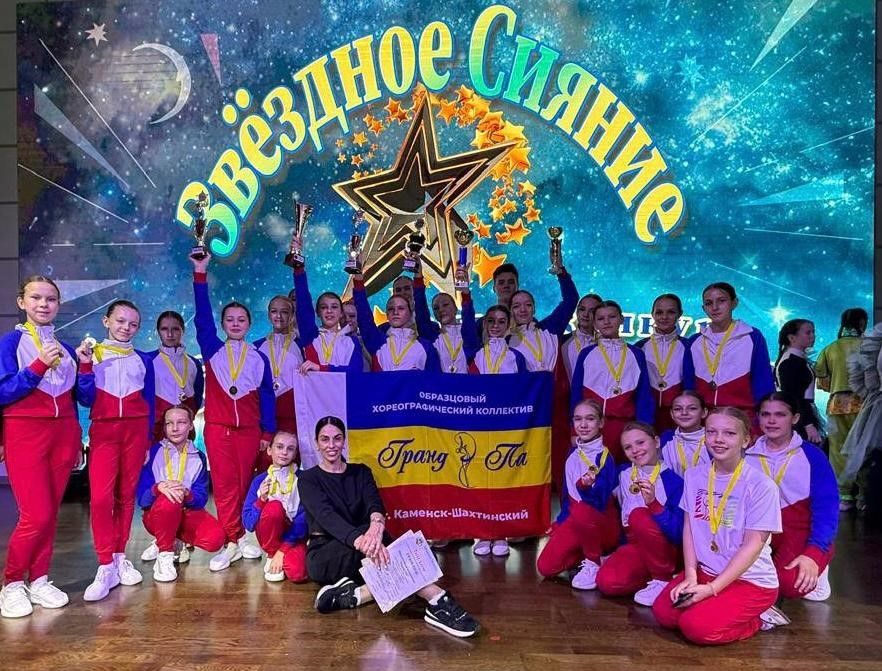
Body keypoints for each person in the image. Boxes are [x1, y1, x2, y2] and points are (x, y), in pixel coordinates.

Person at [298, 416, 481, 638]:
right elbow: (327, 517)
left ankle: (358, 594)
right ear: (316, 443)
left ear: (344, 441)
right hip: (328, 555)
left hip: (367, 550)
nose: (331, 445)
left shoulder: (361, 472)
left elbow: (374, 504)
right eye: (325, 439)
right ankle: (436, 598)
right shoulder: (307, 479)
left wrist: (376, 526)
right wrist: (364, 541)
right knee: (405, 558)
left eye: (337, 438)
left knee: (415, 552)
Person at [0, 276, 94, 618]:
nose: (43, 304)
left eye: (51, 299)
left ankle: (39, 579)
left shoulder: (66, 349)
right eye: (36, 298)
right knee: (35, 514)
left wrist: (85, 365)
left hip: (63, 437)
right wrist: (38, 365)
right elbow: (3, 391)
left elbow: (83, 399)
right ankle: (12, 583)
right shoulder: (10, 343)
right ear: (21, 302)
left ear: (58, 304)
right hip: (25, 434)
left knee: (50, 514)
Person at [651, 407, 787, 645]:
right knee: (664, 614)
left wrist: (712, 589)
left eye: (729, 433)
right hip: (706, 572)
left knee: (696, 628)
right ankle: (716, 604)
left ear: (746, 440)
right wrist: (691, 575)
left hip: (751, 581)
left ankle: (760, 617)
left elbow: (753, 546)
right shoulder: (694, 476)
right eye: (711, 432)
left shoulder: (761, 486)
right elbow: (690, 528)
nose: (718, 439)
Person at [190, 252, 276, 571]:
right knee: (225, 486)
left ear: (249, 324)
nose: (236, 324)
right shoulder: (213, 350)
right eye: (230, 320)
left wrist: (267, 431)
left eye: (241, 320)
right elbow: (202, 320)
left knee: (242, 484)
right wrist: (200, 274)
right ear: (223, 324)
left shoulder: (259, 357)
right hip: (219, 428)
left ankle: (238, 537)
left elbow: (267, 396)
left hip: (250, 431)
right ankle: (231, 541)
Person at [83, 299, 156, 602]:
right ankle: (104, 565)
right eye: (120, 321)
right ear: (106, 321)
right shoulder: (93, 354)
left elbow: (150, 402)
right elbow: (85, 398)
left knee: (126, 498)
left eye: (133, 324)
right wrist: (85, 366)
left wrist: (148, 440)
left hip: (135, 433)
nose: (126, 328)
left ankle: (119, 556)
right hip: (105, 431)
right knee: (101, 499)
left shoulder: (143, 359)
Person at [747, 393, 838, 602]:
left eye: (780, 415)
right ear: (758, 417)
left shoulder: (812, 456)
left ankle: (820, 568)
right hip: (758, 531)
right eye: (765, 414)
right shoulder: (745, 454)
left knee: (789, 584)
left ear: (795, 418)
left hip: (798, 531)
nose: (772, 420)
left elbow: (827, 510)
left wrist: (814, 554)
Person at [461, 303, 527, 556]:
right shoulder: (475, 355)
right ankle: (483, 533)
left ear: (509, 325)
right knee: (480, 481)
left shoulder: (517, 357)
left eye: (501, 321)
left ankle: (500, 533)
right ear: (485, 324)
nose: (496, 326)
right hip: (480, 427)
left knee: (503, 480)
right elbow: (470, 393)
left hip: (507, 428)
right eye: (491, 321)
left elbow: (524, 393)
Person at [596, 422, 683, 606]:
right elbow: (602, 503)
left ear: (656, 442)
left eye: (641, 442)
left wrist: (654, 505)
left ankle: (662, 578)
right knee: (607, 583)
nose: (635, 450)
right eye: (628, 447)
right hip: (635, 545)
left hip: (665, 549)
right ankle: (651, 576)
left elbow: (678, 534)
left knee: (639, 515)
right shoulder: (623, 474)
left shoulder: (674, 482)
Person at [135, 406, 225, 583]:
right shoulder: (152, 452)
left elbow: (201, 500)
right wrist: (158, 488)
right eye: (169, 423)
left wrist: (186, 493)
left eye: (181, 422)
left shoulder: (198, 456)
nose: (175, 428)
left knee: (216, 539)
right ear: (164, 427)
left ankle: (169, 539)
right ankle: (164, 555)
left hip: (186, 513)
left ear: (191, 425)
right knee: (170, 499)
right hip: (156, 514)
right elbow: (142, 500)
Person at [537, 399, 619, 589]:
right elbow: (568, 497)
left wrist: (584, 487)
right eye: (578, 419)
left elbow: (598, 503)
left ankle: (593, 562)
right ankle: (593, 556)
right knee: (546, 567)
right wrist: (561, 521)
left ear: (601, 422)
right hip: (577, 519)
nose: (583, 425)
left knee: (582, 510)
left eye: (590, 419)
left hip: (601, 523)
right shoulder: (572, 452)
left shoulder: (605, 458)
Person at [571, 300, 654, 462]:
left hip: (624, 427)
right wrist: (574, 431)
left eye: (612, 317)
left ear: (621, 319)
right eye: (601, 318)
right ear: (595, 323)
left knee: (625, 472)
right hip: (591, 427)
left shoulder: (636, 354)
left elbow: (643, 396)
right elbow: (576, 394)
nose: (607, 322)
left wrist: (644, 430)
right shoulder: (586, 353)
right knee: (593, 472)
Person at [687, 283, 774, 433]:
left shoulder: (752, 336)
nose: (715, 307)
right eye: (709, 303)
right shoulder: (695, 341)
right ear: (703, 308)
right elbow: (689, 386)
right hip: (704, 421)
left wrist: (764, 419)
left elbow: (763, 381)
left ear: (734, 303)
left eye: (721, 301)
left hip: (743, 419)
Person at [816, 307, 868, 510]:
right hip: (865, 405)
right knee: (865, 447)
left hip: (837, 405)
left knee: (838, 451)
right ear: (862, 323)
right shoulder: (869, 346)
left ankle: (844, 496)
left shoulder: (830, 348)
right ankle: (864, 495)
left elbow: (822, 380)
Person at [242, 430, 308, 583]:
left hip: (294, 537)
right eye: (279, 447)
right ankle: (271, 554)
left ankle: (281, 555)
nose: (284, 452)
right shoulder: (259, 481)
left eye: (290, 449)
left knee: (297, 574)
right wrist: (261, 500)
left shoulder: (304, 480)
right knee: (274, 507)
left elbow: (304, 520)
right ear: (269, 450)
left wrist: (283, 550)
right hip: (269, 537)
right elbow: (248, 523)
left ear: (295, 453)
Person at [292, 247, 364, 374]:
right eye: (324, 307)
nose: (329, 311)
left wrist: (321, 368)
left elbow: (355, 371)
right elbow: (303, 304)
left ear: (341, 313)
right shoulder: (311, 335)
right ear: (318, 313)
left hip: (342, 388)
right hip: (314, 387)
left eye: (334, 307)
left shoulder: (351, 342)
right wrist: (298, 266)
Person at [352, 271, 440, 372]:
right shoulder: (378, 342)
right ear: (387, 314)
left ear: (410, 311)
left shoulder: (426, 347)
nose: (395, 312)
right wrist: (358, 276)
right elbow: (364, 317)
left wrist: (418, 275)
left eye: (401, 308)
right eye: (390, 309)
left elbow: (435, 379)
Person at [637, 294, 695, 434]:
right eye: (659, 312)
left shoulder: (690, 347)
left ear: (680, 314)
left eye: (671, 312)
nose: (664, 317)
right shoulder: (638, 348)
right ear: (652, 314)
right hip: (647, 416)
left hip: (680, 415)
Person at [254, 295, 304, 441]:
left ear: (292, 315)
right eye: (274, 311)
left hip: (292, 415)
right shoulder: (256, 347)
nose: (279, 316)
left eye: (284, 312)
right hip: (263, 415)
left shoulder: (302, 346)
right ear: (269, 315)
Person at [148, 311, 203, 443]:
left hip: (184, 431)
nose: (170, 334)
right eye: (164, 329)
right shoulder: (148, 360)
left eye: (175, 329)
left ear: (183, 330)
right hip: (156, 431)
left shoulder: (193, 363)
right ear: (157, 332)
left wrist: (186, 419)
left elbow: (198, 396)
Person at [412, 264, 473, 374]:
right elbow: (420, 310)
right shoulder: (433, 336)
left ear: (455, 308)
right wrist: (418, 274)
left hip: (467, 384)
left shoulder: (468, 333)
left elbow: (469, 315)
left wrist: (465, 292)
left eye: (445, 305)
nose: (441, 310)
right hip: (441, 385)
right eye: (436, 308)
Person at [774, 319, 822, 444]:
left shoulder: (798, 359)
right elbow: (793, 396)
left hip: (802, 413)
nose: (813, 336)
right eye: (808, 332)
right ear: (791, 338)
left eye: (813, 332)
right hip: (798, 417)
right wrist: (808, 424)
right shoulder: (790, 361)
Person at [660, 391, 709, 478]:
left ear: (704, 412)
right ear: (672, 414)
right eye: (678, 409)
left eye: (692, 408)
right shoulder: (665, 439)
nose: (684, 413)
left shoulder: (714, 439)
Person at [561, 293, 602, 381]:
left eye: (592, 311)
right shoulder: (562, 342)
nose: (585, 314)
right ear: (577, 312)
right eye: (582, 309)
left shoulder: (605, 344)